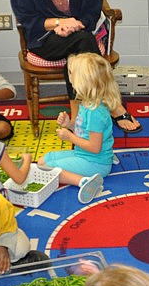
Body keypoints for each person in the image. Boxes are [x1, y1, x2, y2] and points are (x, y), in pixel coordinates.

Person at [9, 0, 141, 133]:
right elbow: (26, 17)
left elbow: (93, 6)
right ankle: (113, 104)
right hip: (44, 39)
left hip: (79, 33)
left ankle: (77, 118)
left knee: (77, 48)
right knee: (82, 43)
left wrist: (76, 24)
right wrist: (59, 23)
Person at [37, 53, 116, 204]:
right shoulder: (87, 103)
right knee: (43, 160)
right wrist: (69, 125)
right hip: (83, 155)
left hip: (95, 162)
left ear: (82, 80)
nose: (69, 76)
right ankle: (93, 170)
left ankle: (84, 181)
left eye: (71, 73)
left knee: (46, 169)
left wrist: (69, 137)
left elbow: (94, 147)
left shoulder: (94, 112)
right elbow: (84, 131)